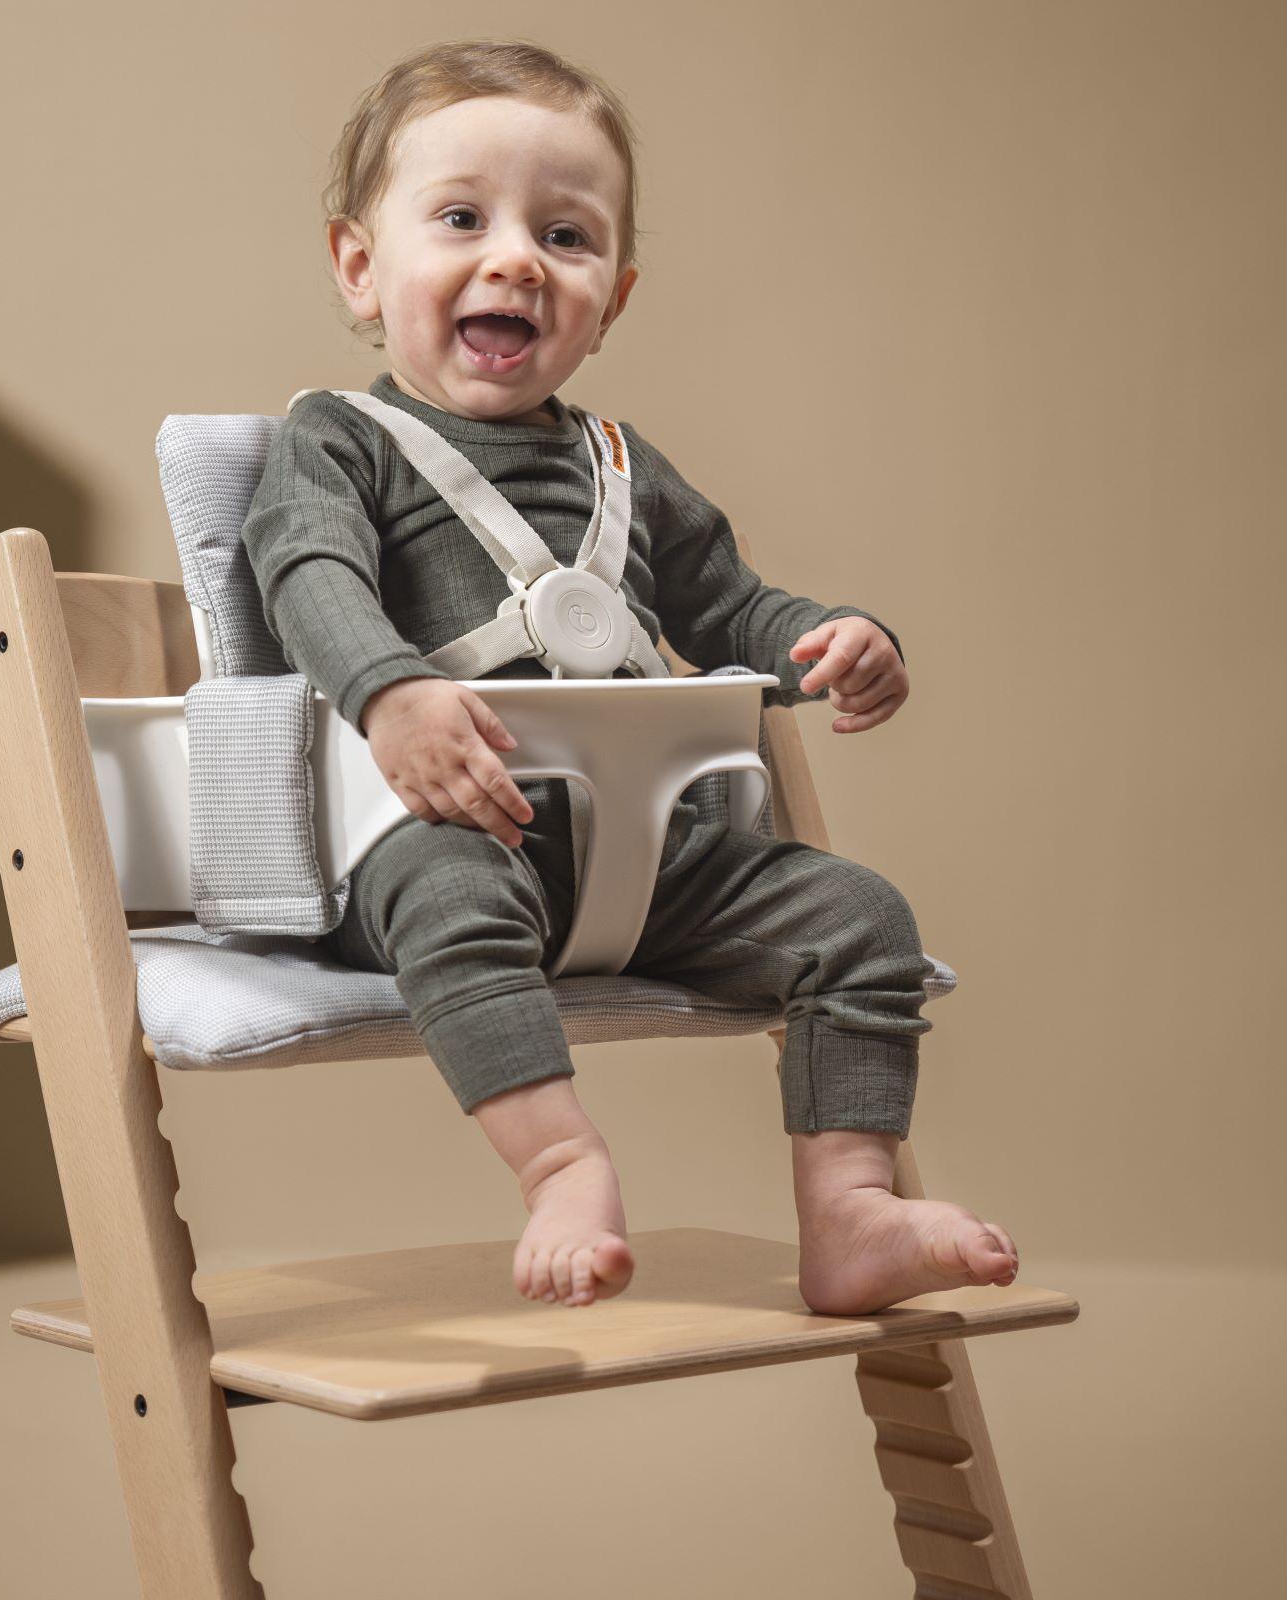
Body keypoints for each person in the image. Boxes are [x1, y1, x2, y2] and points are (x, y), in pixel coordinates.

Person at [240, 38, 1019, 1313]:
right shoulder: (338, 440)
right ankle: (559, 1163)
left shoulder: (619, 463)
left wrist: (829, 637)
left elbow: (733, 608)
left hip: (654, 855)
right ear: (359, 265)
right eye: (461, 219)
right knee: (446, 894)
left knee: (862, 917)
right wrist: (390, 691)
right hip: (446, 836)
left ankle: (851, 1210)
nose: (516, 260)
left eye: (565, 235)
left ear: (613, 298)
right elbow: (307, 574)